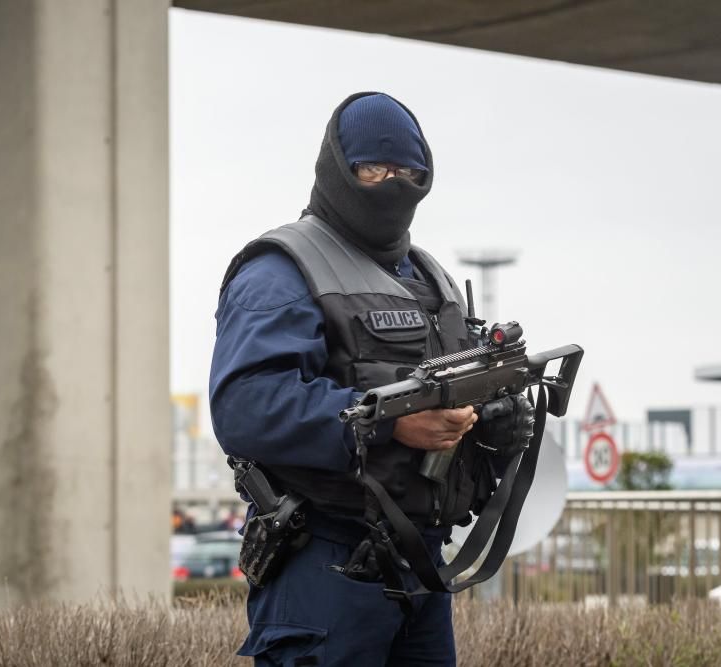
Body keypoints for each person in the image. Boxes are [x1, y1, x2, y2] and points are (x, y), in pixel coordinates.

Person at [210, 92, 533, 666]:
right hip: (324, 566)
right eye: (372, 169)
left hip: (422, 566)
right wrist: (388, 423)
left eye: (410, 173)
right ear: (338, 171)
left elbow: (451, 399)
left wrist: (492, 421)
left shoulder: (431, 279)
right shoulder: (281, 271)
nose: (392, 184)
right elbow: (246, 406)